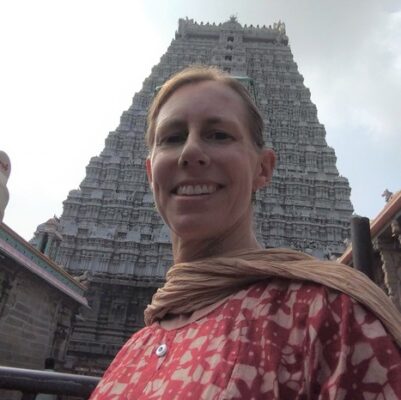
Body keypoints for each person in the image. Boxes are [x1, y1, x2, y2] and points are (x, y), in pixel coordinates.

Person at [90, 66, 401, 399]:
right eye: (172, 137)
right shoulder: (136, 347)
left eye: (219, 135)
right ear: (151, 172)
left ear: (263, 168)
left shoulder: (327, 317)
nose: (191, 152)